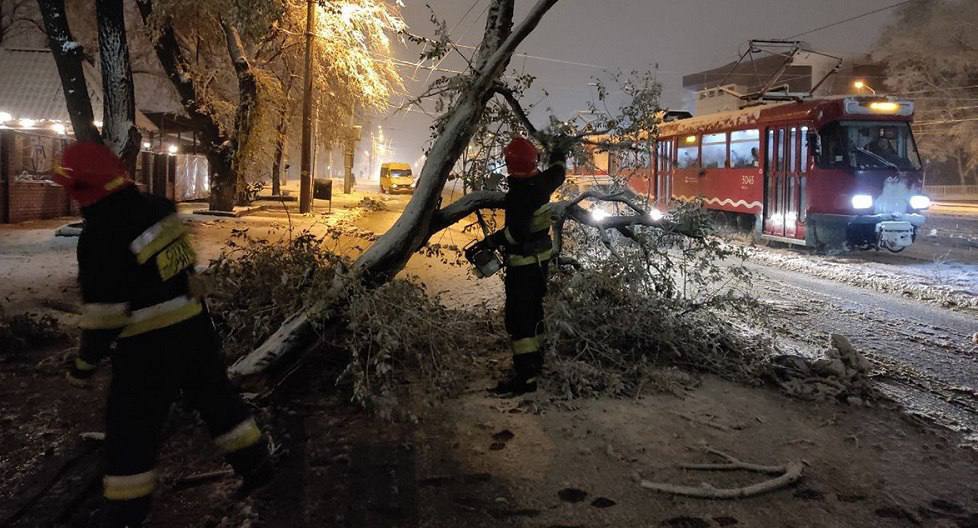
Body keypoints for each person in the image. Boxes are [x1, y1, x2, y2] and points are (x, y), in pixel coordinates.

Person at [55, 142, 273, 527]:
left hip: (146, 351)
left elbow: (105, 314)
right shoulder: (159, 208)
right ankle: (257, 464)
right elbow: (184, 270)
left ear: (83, 189)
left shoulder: (100, 233)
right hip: (194, 332)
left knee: (131, 430)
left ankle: (125, 513)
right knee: (218, 402)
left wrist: (83, 365)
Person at [486, 136, 567, 396]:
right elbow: (559, 173)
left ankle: (525, 378)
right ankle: (536, 362)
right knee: (534, 313)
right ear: (534, 160)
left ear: (510, 165)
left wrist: (494, 240)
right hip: (540, 264)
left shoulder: (520, 194)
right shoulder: (542, 182)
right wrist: (559, 149)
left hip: (522, 267)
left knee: (519, 321)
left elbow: (516, 235)